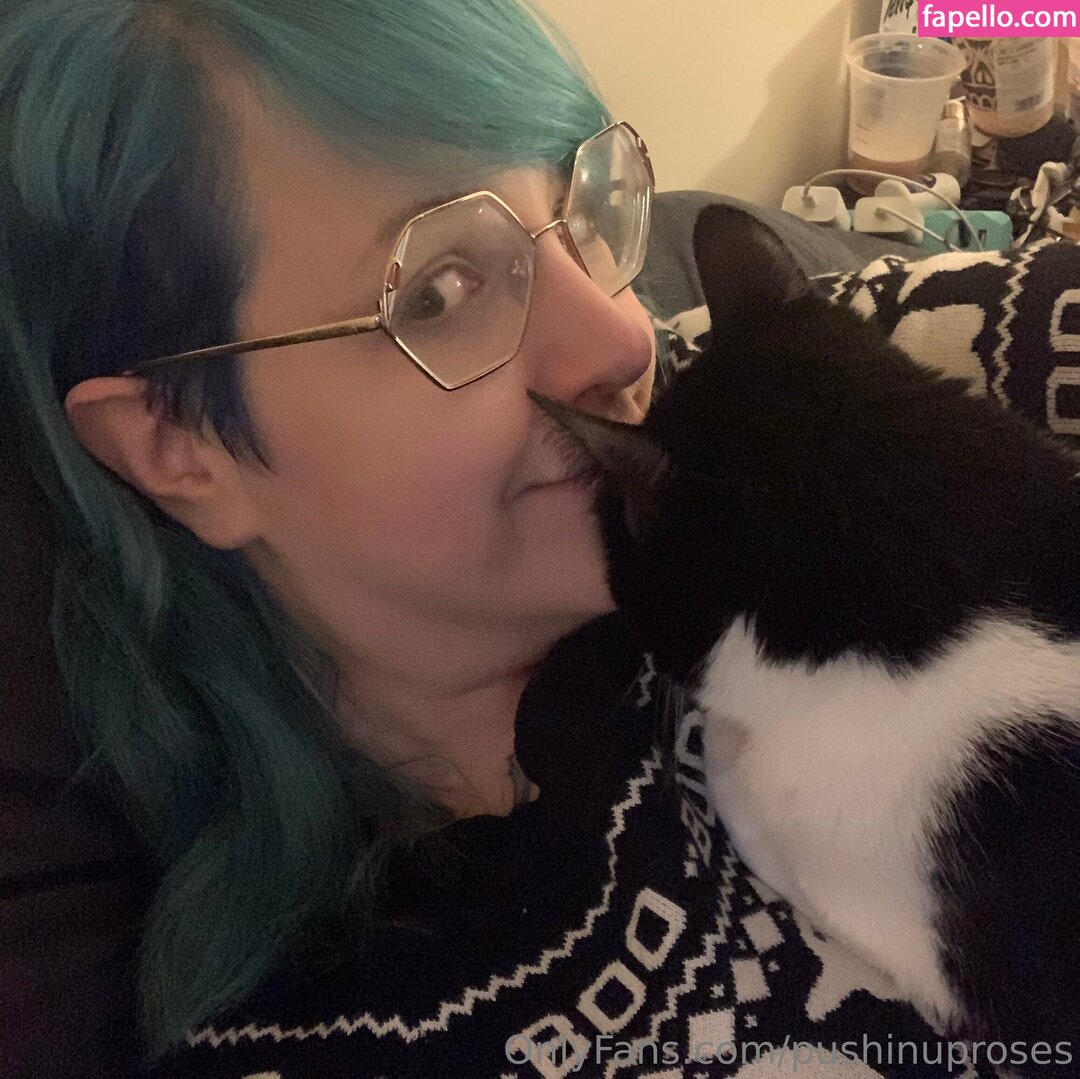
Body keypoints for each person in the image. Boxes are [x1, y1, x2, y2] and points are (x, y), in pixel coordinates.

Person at [0, 2, 1019, 1076]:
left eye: (582, 214)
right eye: (440, 291)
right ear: (179, 446)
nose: (623, 336)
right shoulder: (346, 1024)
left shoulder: (815, 419)